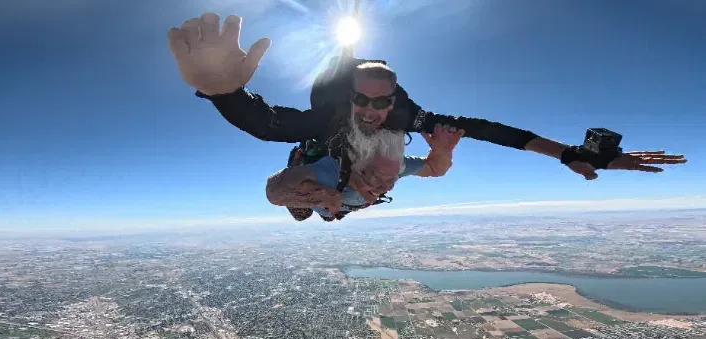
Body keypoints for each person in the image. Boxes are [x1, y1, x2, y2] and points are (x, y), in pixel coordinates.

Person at [167, 13, 687, 189]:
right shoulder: (329, 116)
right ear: (347, 99)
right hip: (324, 151)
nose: (372, 112)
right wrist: (223, 91)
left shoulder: (409, 116)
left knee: (328, 196)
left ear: (394, 99)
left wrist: (570, 153)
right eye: (362, 102)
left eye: (382, 103)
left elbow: (493, 131)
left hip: (352, 165)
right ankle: (314, 179)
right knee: (307, 191)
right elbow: (268, 124)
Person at [267, 122, 462, 221]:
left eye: (392, 177)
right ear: (358, 165)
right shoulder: (331, 171)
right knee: (302, 216)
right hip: (327, 201)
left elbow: (435, 168)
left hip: (341, 204)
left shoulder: (396, 164)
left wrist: (443, 151)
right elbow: (273, 191)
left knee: (330, 214)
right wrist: (326, 195)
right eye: (377, 175)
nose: (387, 186)